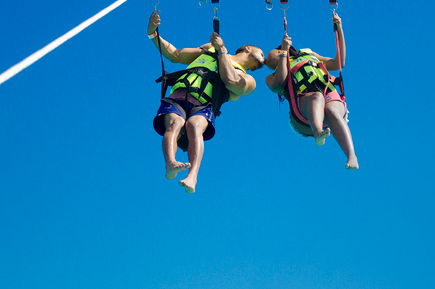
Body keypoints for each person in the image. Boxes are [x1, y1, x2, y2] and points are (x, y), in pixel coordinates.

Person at [148, 10, 265, 193]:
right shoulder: (209, 50)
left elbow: (231, 81)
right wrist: (153, 33)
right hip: (180, 93)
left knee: (194, 126)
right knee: (175, 123)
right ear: (248, 49)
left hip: (203, 104)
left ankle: (192, 176)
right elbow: (176, 55)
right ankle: (170, 163)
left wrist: (222, 51)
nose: (264, 58)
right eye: (262, 53)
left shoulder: (248, 80)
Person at [265, 13, 358, 170]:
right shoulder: (272, 75)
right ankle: (318, 132)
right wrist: (283, 55)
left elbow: (339, 62)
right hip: (303, 108)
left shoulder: (309, 54)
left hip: (328, 93)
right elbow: (278, 84)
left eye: (268, 56)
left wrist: (339, 29)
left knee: (332, 111)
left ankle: (351, 155)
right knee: (316, 97)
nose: (265, 61)